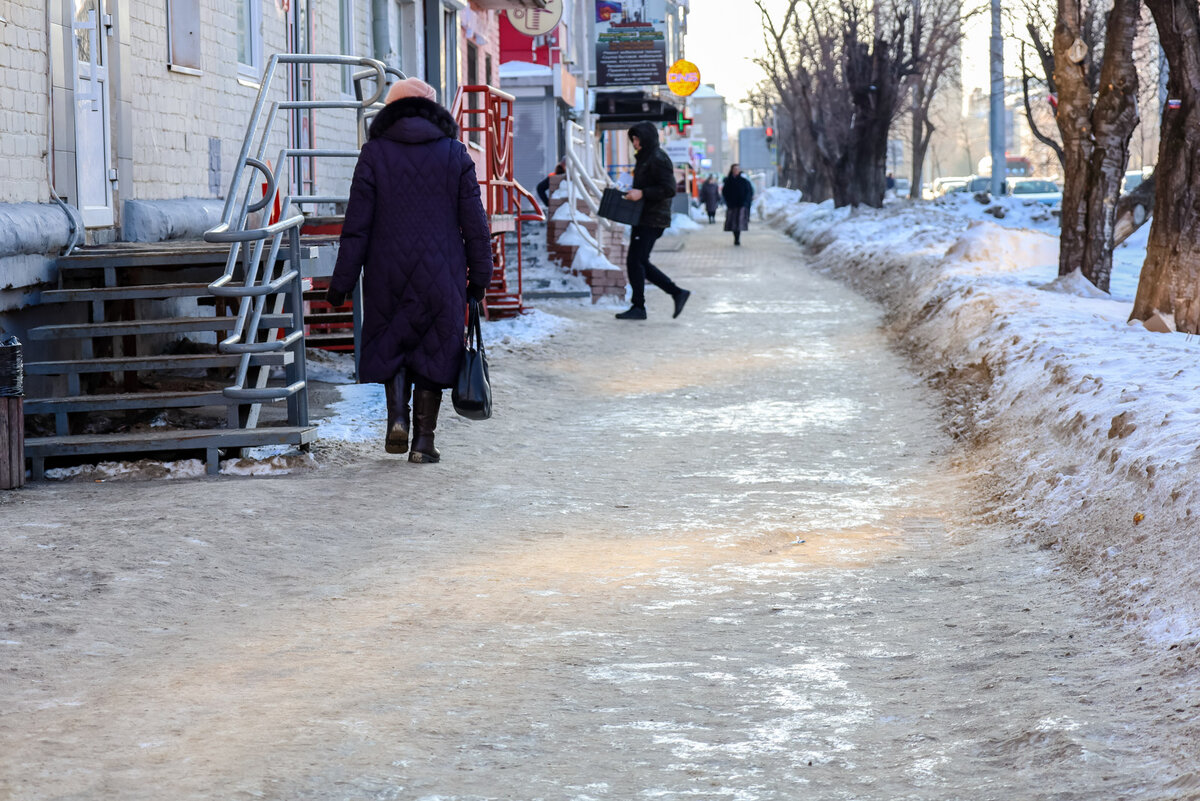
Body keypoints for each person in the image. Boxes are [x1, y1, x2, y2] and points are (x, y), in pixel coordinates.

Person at [325, 77, 493, 464]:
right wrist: (479, 276)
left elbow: (357, 225)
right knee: (434, 349)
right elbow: (475, 224)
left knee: (393, 342)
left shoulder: (373, 153)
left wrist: (342, 282)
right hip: (443, 271)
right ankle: (423, 443)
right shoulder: (455, 153)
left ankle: (397, 418)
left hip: (386, 270)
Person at [616, 121, 691, 321]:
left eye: (637, 138)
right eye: (632, 139)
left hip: (653, 217)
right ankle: (674, 293)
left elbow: (669, 188)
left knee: (635, 261)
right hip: (643, 216)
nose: (634, 143)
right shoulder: (645, 158)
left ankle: (641, 306)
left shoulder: (658, 158)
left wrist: (642, 193)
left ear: (646, 138)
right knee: (639, 261)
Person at [722, 163, 754, 245]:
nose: (736, 170)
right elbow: (724, 192)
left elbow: (749, 192)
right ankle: (735, 237)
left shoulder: (744, 181)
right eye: (735, 169)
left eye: (737, 169)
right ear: (732, 170)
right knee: (733, 222)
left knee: (739, 222)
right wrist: (728, 201)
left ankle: (737, 238)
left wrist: (745, 202)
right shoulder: (728, 181)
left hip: (741, 205)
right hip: (732, 205)